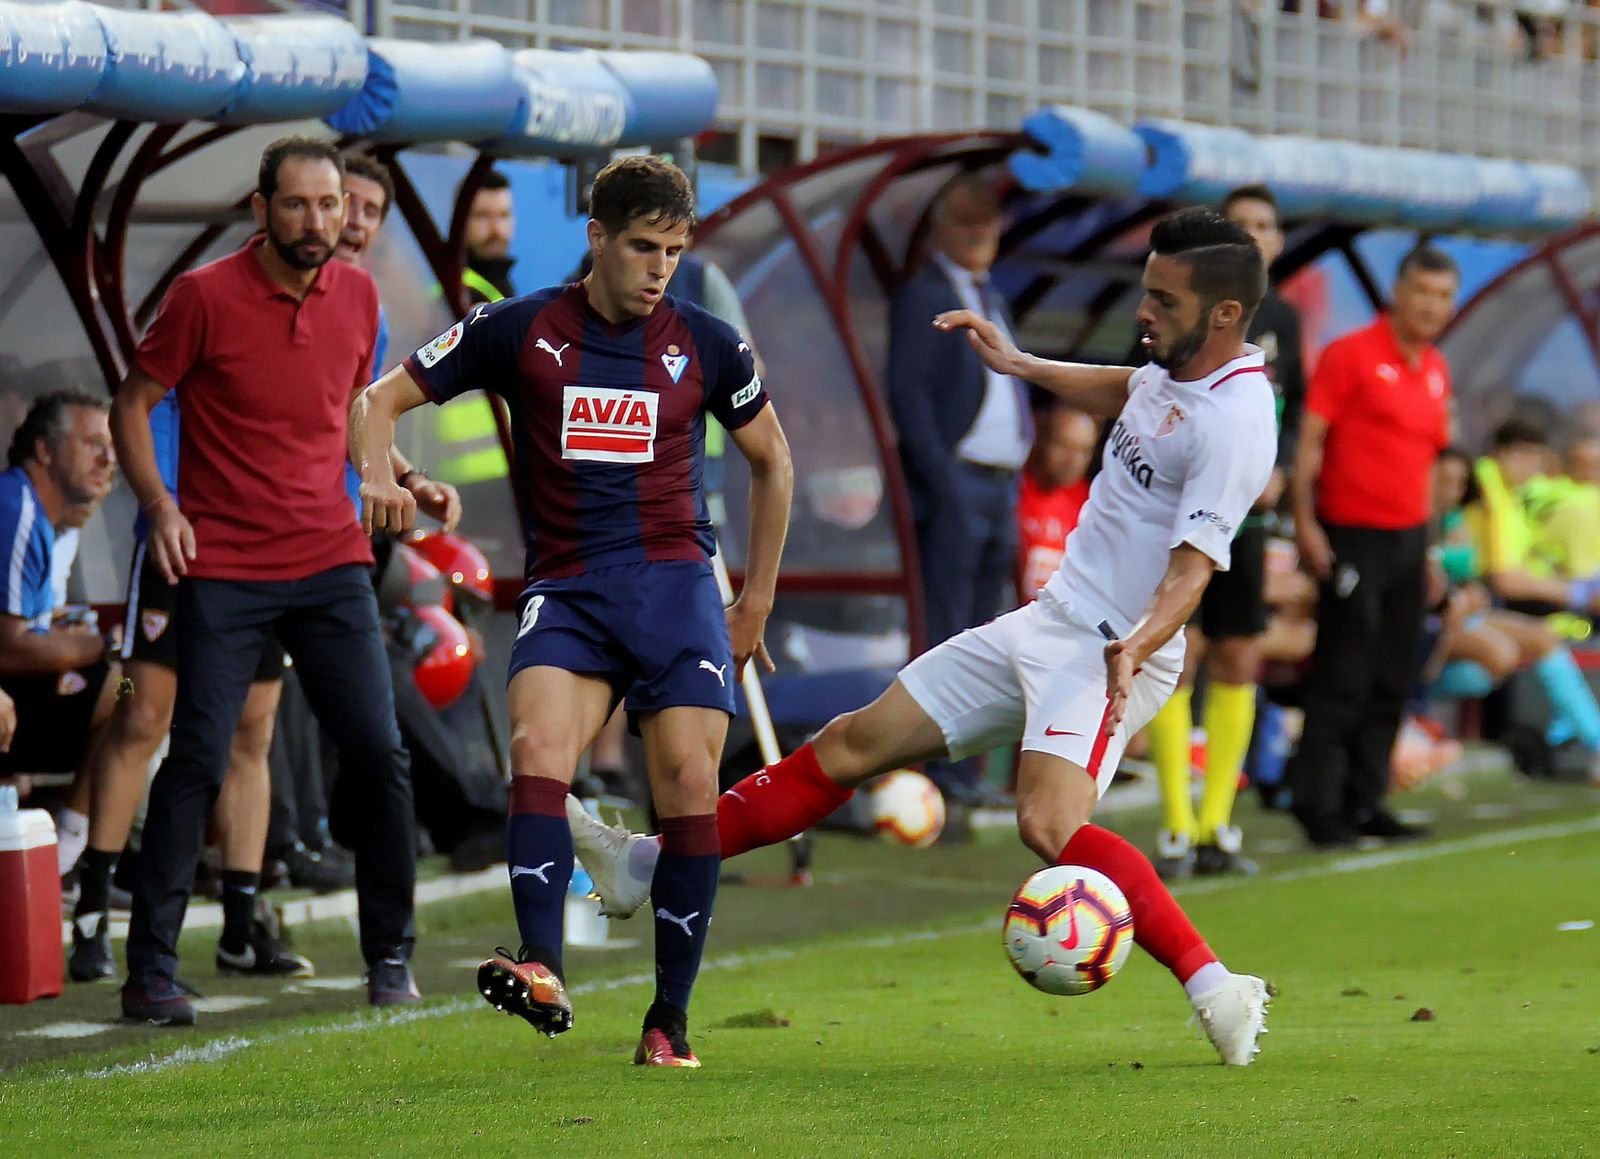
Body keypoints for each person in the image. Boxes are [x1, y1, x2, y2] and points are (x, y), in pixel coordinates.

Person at [571, 207, 1278, 1066]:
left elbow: (1192, 572)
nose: (1147, 314)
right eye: (1148, 294)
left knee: (1049, 826)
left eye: (1164, 302)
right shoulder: (1174, 368)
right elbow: (1132, 389)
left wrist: (1133, 645)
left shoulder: (1241, 420)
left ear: (1226, 315)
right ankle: (643, 865)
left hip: (1107, 650)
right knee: (848, 745)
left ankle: (1218, 992)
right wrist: (1022, 366)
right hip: (1045, 621)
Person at [351, 155, 793, 1068]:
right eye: (643, 246)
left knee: (686, 787)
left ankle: (668, 1021)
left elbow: (773, 462)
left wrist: (754, 602)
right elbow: (376, 400)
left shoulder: (709, 344)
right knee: (535, 752)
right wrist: (374, 469)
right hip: (571, 587)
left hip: (676, 585)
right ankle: (543, 962)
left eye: (675, 249)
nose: (661, 266)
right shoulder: (519, 330)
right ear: (597, 237)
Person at [110, 138, 443, 1026]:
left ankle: (390, 955)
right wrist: (159, 506)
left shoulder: (361, 294)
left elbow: (349, 411)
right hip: (225, 566)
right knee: (198, 759)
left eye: (330, 205)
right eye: (296, 205)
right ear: (260, 210)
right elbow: (133, 402)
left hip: (332, 560)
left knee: (380, 751)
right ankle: (149, 971)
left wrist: (402, 480)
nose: (317, 222)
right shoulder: (202, 296)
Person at [1145, 184, 1305, 878]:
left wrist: (1284, 467)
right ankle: (1176, 823)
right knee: (1184, 649)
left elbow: (1295, 410)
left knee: (1240, 654)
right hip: (1188, 506)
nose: (1256, 235)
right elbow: (1149, 388)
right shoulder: (1182, 305)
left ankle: (1218, 824)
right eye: (1241, 225)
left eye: (1265, 226)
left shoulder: (1290, 321)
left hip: (1251, 515)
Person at [1286, 244, 1458, 849]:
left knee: (1392, 676)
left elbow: (1430, 467)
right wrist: (1305, 523)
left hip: (1409, 540)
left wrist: (1431, 550)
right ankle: (1318, 803)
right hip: (1351, 534)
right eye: (1423, 292)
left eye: (1443, 296)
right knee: (1344, 671)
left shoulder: (1435, 367)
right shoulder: (1350, 354)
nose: (1433, 306)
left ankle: (1367, 800)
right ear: (1399, 293)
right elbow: (1309, 442)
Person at [887, 172, 1033, 805]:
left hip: (1001, 487)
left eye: (990, 224)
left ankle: (971, 771)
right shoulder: (925, 295)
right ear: (942, 229)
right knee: (950, 632)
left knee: (988, 628)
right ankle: (941, 772)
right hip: (958, 486)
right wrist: (941, 483)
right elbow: (910, 397)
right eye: (968, 224)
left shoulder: (991, 296)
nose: (981, 236)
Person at [0, 393, 117, 823]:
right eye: (91, 444)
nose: (108, 459)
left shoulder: (37, 517)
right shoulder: (18, 509)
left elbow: (26, 627)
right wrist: (100, 646)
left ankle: (74, 850)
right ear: (46, 451)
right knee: (128, 692)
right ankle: (72, 849)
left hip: (16, 692)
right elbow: (9, 648)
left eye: (109, 447)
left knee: (134, 692)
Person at [1015, 405, 1098, 598]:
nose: (1073, 461)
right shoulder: (1014, 491)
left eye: (1083, 451)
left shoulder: (1090, 505)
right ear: (1041, 440)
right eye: (1064, 446)